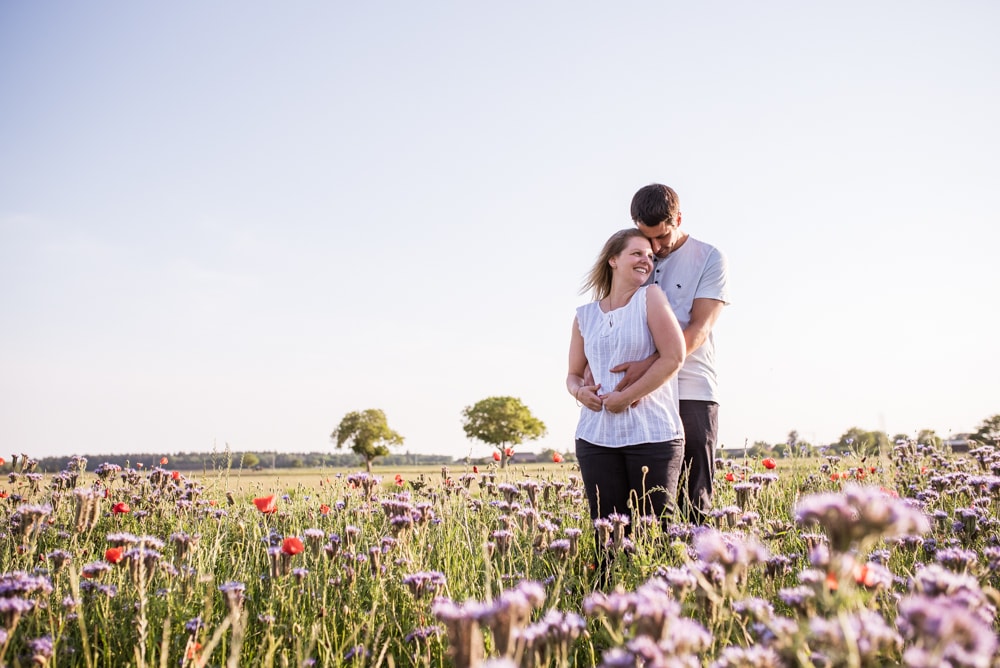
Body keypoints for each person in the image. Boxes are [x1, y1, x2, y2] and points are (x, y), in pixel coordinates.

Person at [567, 228, 687, 582]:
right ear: (613, 259)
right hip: (596, 439)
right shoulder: (584, 315)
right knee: (606, 536)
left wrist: (626, 397)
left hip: (652, 434)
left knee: (656, 535)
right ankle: (604, 613)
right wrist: (580, 393)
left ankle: (661, 615)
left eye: (650, 257)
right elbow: (572, 375)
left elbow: (674, 356)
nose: (646, 261)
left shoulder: (651, 298)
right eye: (637, 253)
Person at [613, 184, 730, 524]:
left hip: (692, 390)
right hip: (640, 396)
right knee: (649, 503)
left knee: (694, 500)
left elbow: (699, 329)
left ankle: (696, 573)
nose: (657, 248)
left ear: (678, 218)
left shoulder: (709, 257)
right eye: (648, 239)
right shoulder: (634, 256)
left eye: (663, 237)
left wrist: (649, 368)